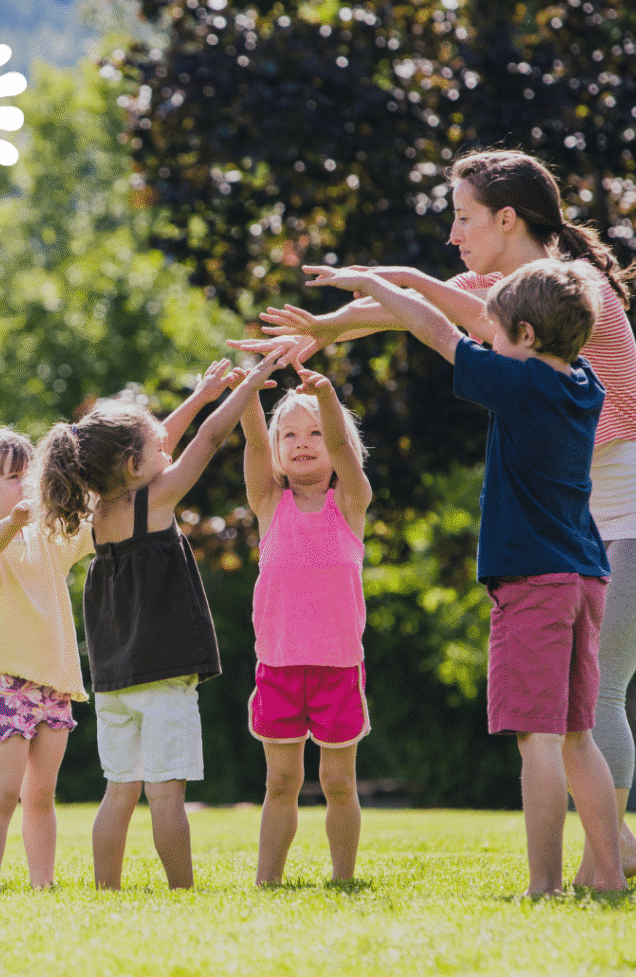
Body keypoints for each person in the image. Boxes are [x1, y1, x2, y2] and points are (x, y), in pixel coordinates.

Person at [231, 149, 636, 882]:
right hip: (578, 528)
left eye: (463, 216)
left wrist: (367, 303)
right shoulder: (518, 297)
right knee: (578, 708)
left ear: (507, 218)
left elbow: (437, 317)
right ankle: (615, 852)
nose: (453, 234)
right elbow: (406, 310)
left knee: (593, 693)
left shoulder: (568, 290)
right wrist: (324, 327)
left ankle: (602, 859)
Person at [309, 256, 625, 894]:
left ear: (528, 339)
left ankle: (545, 884)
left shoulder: (522, 384)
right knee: (576, 736)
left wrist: (376, 286)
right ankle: (611, 876)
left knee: (535, 738)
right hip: (586, 575)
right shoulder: (584, 383)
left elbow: (438, 332)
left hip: (533, 581)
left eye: (500, 333)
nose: (489, 339)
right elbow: (484, 327)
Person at [34, 352, 285, 890]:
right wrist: (250, 386)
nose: (165, 449)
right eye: (155, 448)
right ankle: (181, 891)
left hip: (115, 679)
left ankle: (107, 890)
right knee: (167, 792)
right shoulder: (158, 498)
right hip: (164, 674)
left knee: (120, 789)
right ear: (132, 464)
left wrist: (199, 394)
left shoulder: (101, 509)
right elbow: (211, 438)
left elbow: (155, 444)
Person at [241, 366, 372, 885]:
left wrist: (326, 396)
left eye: (314, 432)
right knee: (281, 781)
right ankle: (267, 879)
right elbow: (253, 442)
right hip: (278, 669)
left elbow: (342, 443)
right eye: (289, 435)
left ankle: (343, 878)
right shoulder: (269, 504)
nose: (302, 444)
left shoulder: (351, 504)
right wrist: (248, 394)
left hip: (338, 670)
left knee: (339, 783)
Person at [0, 426, 92, 889]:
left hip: (56, 682)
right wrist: (13, 522)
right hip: (6, 681)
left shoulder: (45, 538)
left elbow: (98, 513)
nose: (24, 486)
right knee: (5, 792)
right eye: (12, 478)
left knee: (42, 794)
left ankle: (42, 885)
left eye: (28, 476)